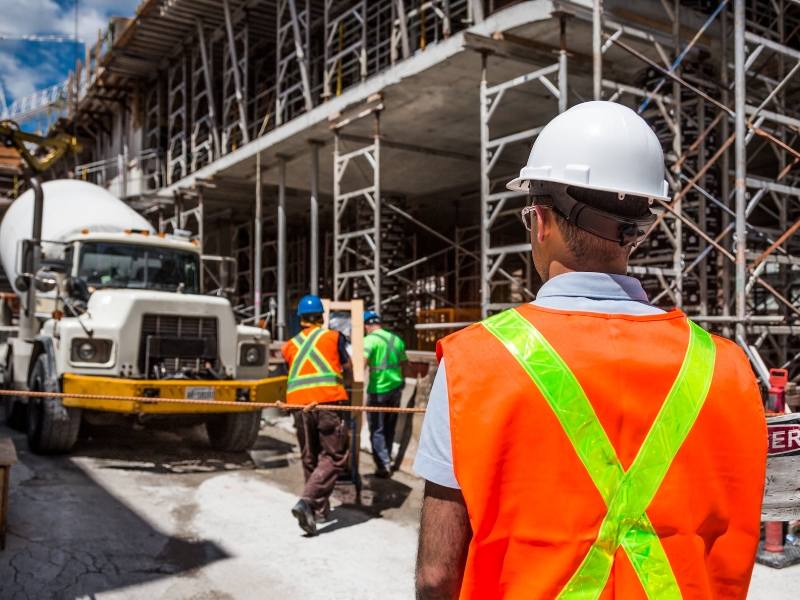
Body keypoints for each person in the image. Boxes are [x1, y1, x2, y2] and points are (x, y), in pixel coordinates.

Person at [413, 102, 767, 599]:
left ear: (539, 221)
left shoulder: (474, 363)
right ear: (637, 229)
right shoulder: (725, 367)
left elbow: (436, 576)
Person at [281, 295, 352, 536]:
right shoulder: (333, 337)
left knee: (310, 456)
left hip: (299, 407)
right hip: (326, 402)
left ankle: (318, 510)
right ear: (322, 317)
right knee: (335, 456)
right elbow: (348, 365)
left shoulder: (288, 345)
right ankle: (308, 501)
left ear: (300, 319)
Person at [363, 310, 408, 478]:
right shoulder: (396, 339)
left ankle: (383, 466)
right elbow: (406, 364)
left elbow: (363, 362)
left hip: (377, 391)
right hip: (395, 390)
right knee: (389, 427)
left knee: (376, 428)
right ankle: (387, 459)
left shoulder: (369, 340)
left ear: (367, 326)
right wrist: (401, 380)